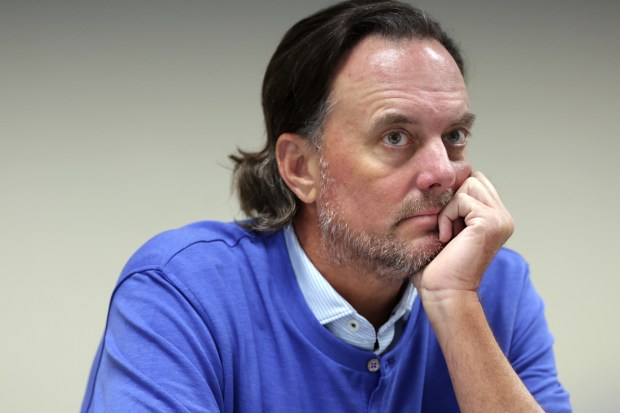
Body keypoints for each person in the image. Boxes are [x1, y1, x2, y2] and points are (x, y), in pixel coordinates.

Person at [81, 1, 571, 412]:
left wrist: (454, 304)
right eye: (396, 136)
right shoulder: (185, 290)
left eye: (455, 136)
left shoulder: (494, 286)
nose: (444, 171)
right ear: (300, 168)